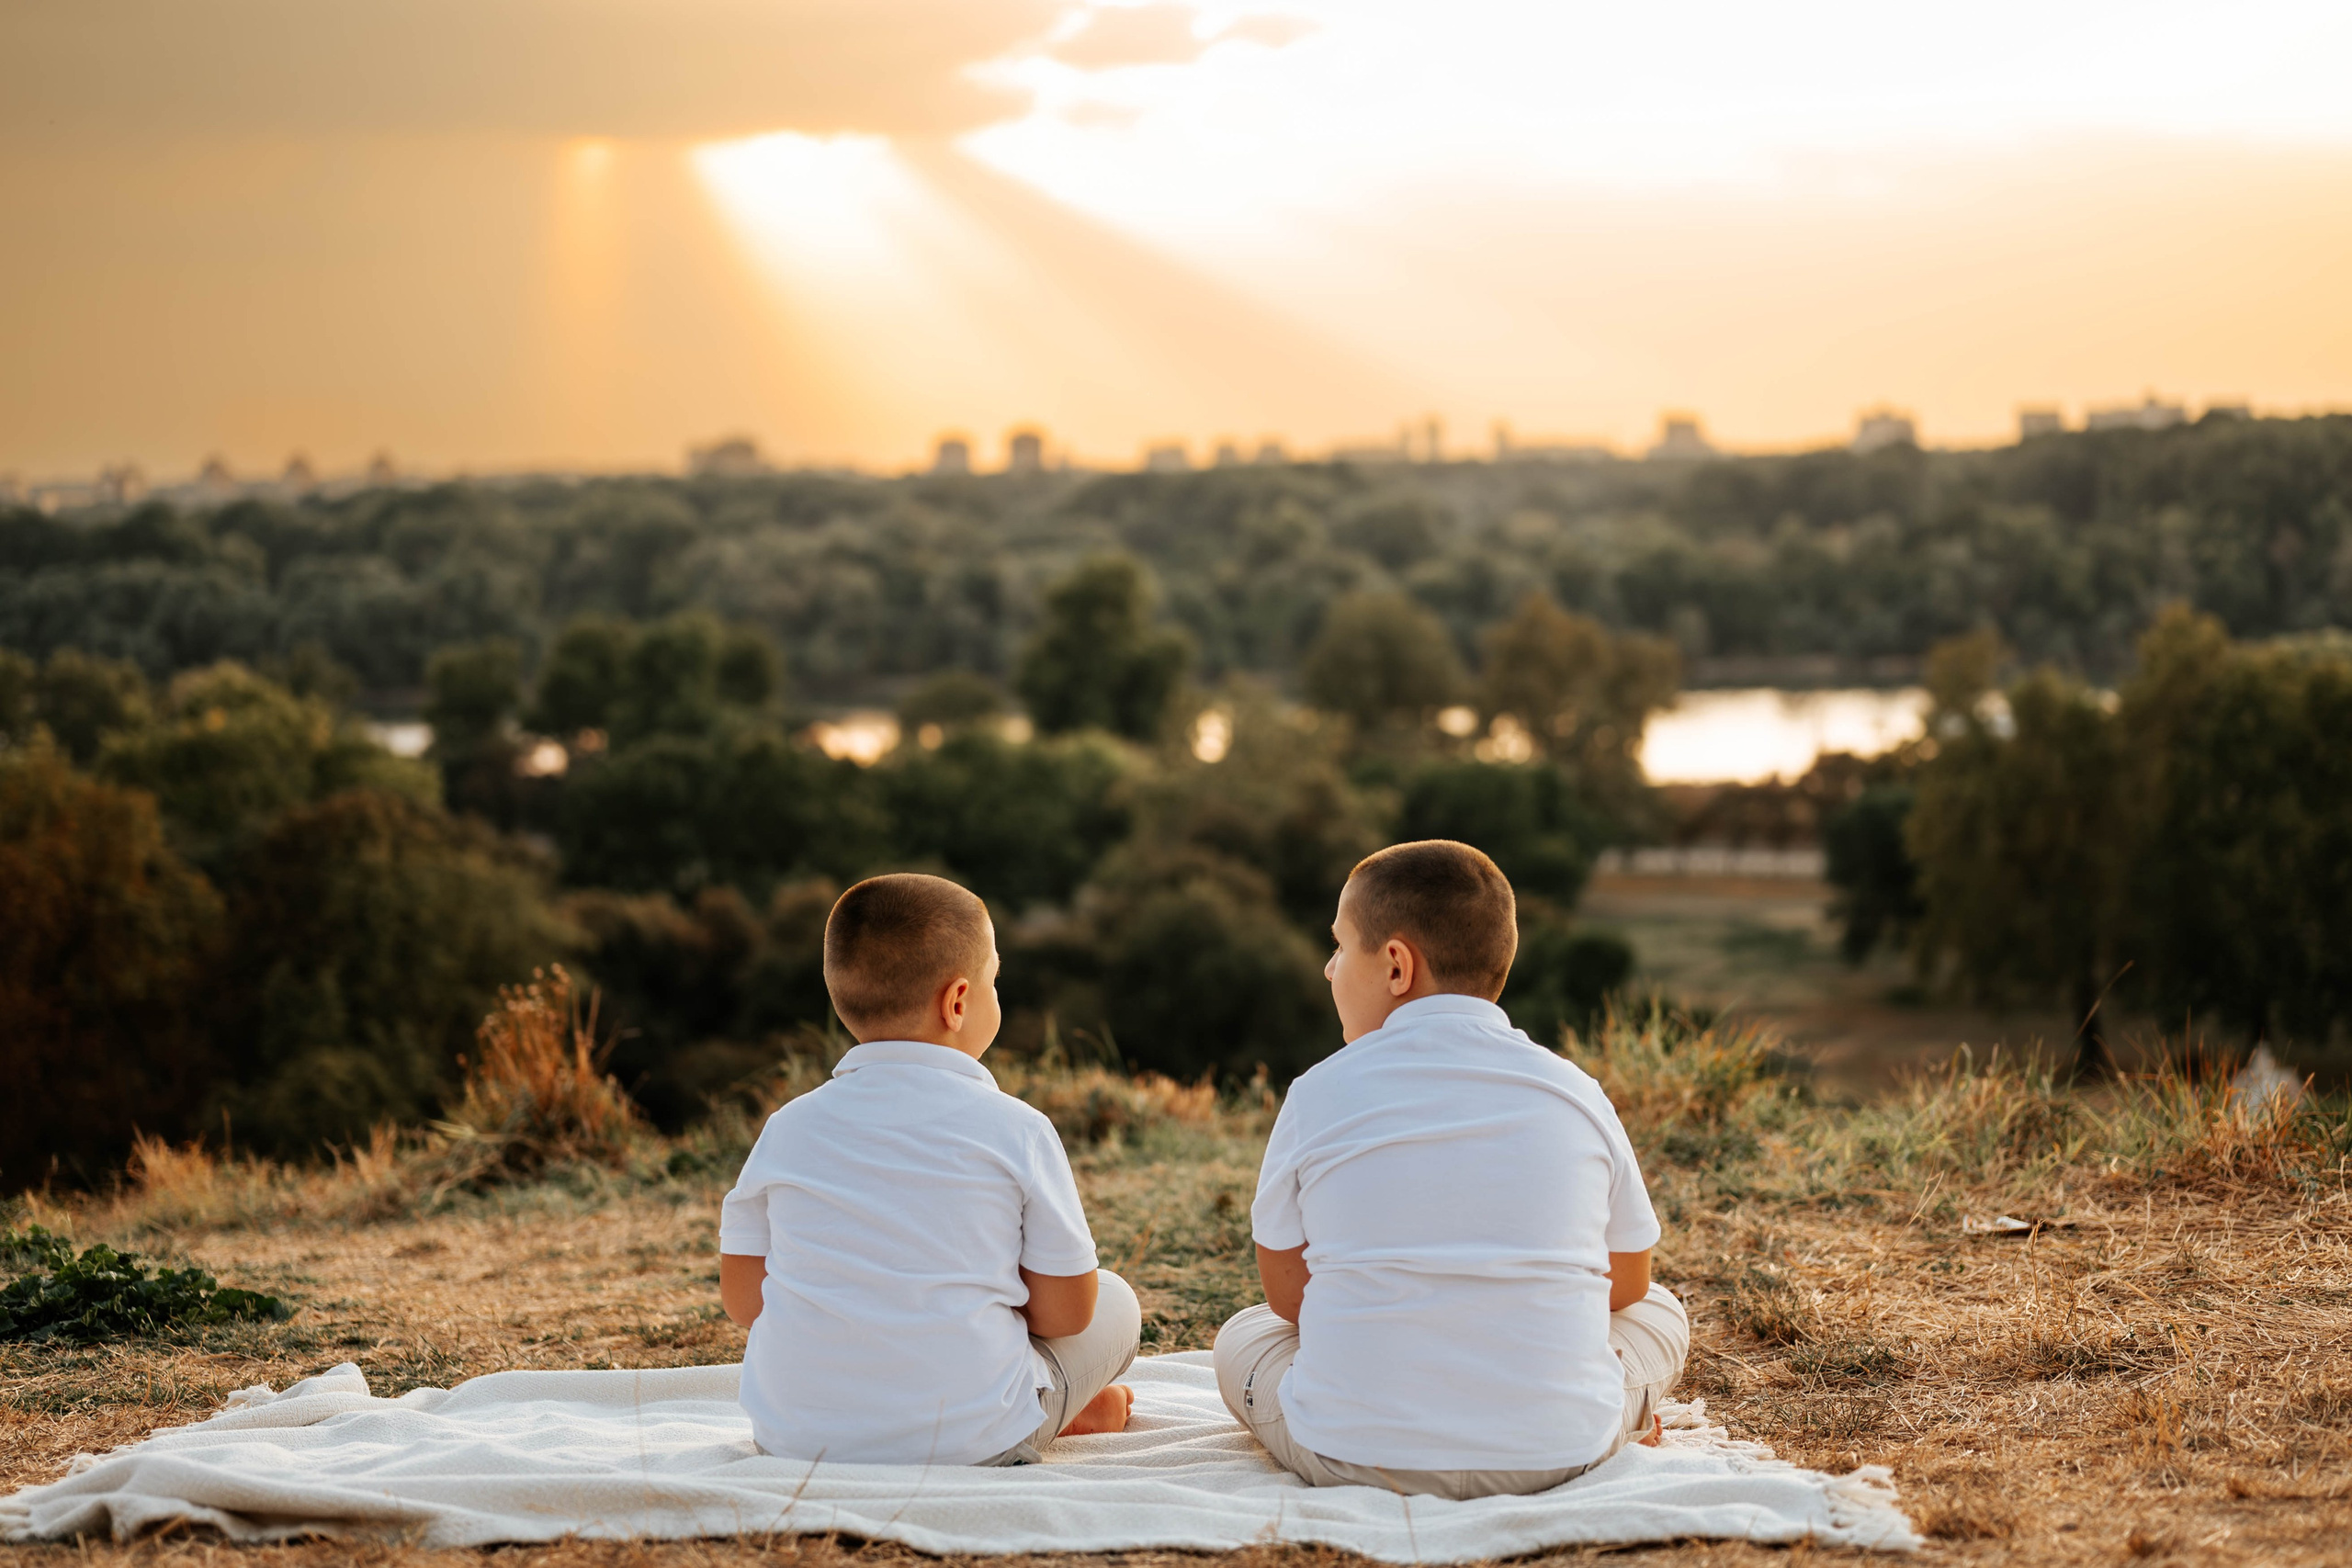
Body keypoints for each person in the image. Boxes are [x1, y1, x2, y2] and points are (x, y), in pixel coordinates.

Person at [1214, 839, 1687, 1499]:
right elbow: (1629, 1279)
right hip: (1556, 1450)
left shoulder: (1315, 1093)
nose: (1329, 969)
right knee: (1662, 1309)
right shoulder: (1575, 1089)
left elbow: (1289, 1299)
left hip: (1353, 1454)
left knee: (1245, 1331)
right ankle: (1615, 1413)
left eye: (1341, 946)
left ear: (1397, 965)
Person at [718, 872, 1138, 1465]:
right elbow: (1067, 1312)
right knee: (1115, 1298)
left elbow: (744, 1301)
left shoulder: (787, 1127)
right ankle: (1062, 1409)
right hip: (975, 1440)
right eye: (996, 980)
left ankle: (1055, 1405)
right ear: (959, 1001)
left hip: (796, 1438)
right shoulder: (1017, 1128)